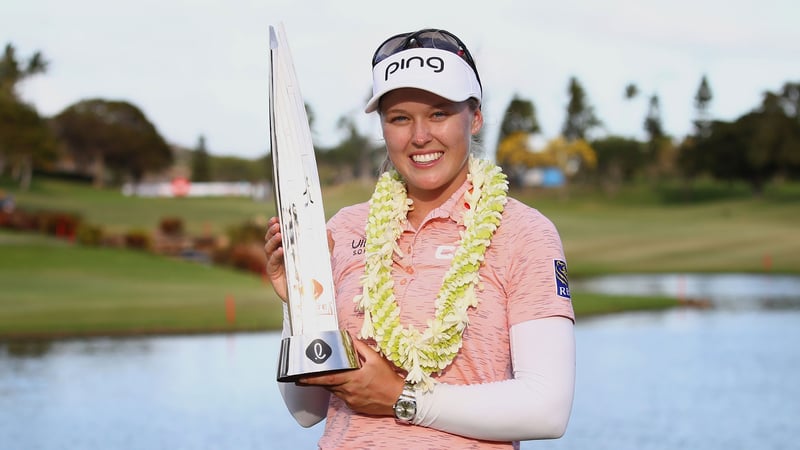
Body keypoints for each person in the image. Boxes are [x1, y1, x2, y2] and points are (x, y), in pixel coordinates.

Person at [264, 28, 575, 449]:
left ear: (475, 117)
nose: (420, 136)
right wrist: (298, 306)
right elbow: (307, 411)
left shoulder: (524, 233)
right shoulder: (344, 229)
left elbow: (547, 409)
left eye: (439, 113)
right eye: (399, 118)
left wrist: (401, 398)